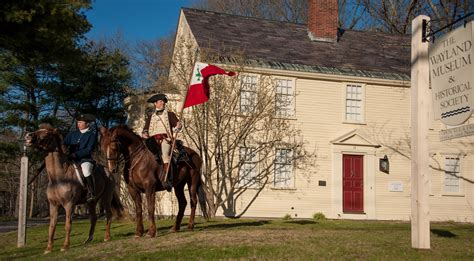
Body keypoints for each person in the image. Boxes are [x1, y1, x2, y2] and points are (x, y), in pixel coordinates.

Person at [142, 93, 182, 191]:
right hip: (152, 140)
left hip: (165, 139)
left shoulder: (170, 114)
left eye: (163, 101)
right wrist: (145, 133)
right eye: (160, 101)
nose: (163, 103)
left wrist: (178, 127)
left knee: (165, 155)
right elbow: (145, 129)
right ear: (155, 103)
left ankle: (168, 178)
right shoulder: (150, 116)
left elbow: (177, 125)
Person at [64, 113, 98, 202]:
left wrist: (76, 154)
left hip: (85, 159)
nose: (79, 124)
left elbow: (89, 149)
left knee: (86, 170)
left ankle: (91, 192)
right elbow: (64, 144)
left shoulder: (92, 134)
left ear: (87, 124)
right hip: (70, 159)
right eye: (78, 122)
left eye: (81, 122)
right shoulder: (72, 134)